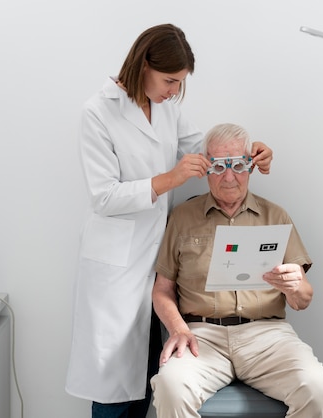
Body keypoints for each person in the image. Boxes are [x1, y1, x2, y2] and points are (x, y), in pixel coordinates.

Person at [64, 25, 273, 418]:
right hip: (116, 264)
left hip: (157, 257)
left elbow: (203, 151)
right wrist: (170, 179)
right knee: (113, 386)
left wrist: (248, 152)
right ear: (144, 65)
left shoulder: (166, 108)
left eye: (180, 84)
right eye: (170, 81)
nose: (174, 91)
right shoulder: (97, 112)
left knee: (148, 377)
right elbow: (104, 196)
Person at [150, 123, 323, 417]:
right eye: (220, 166)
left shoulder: (274, 216)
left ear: (250, 167)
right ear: (207, 168)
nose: (229, 177)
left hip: (267, 335)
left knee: (317, 388)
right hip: (201, 335)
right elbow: (162, 290)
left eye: (238, 165)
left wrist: (295, 286)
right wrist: (178, 329)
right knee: (170, 386)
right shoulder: (183, 217)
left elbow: (303, 300)